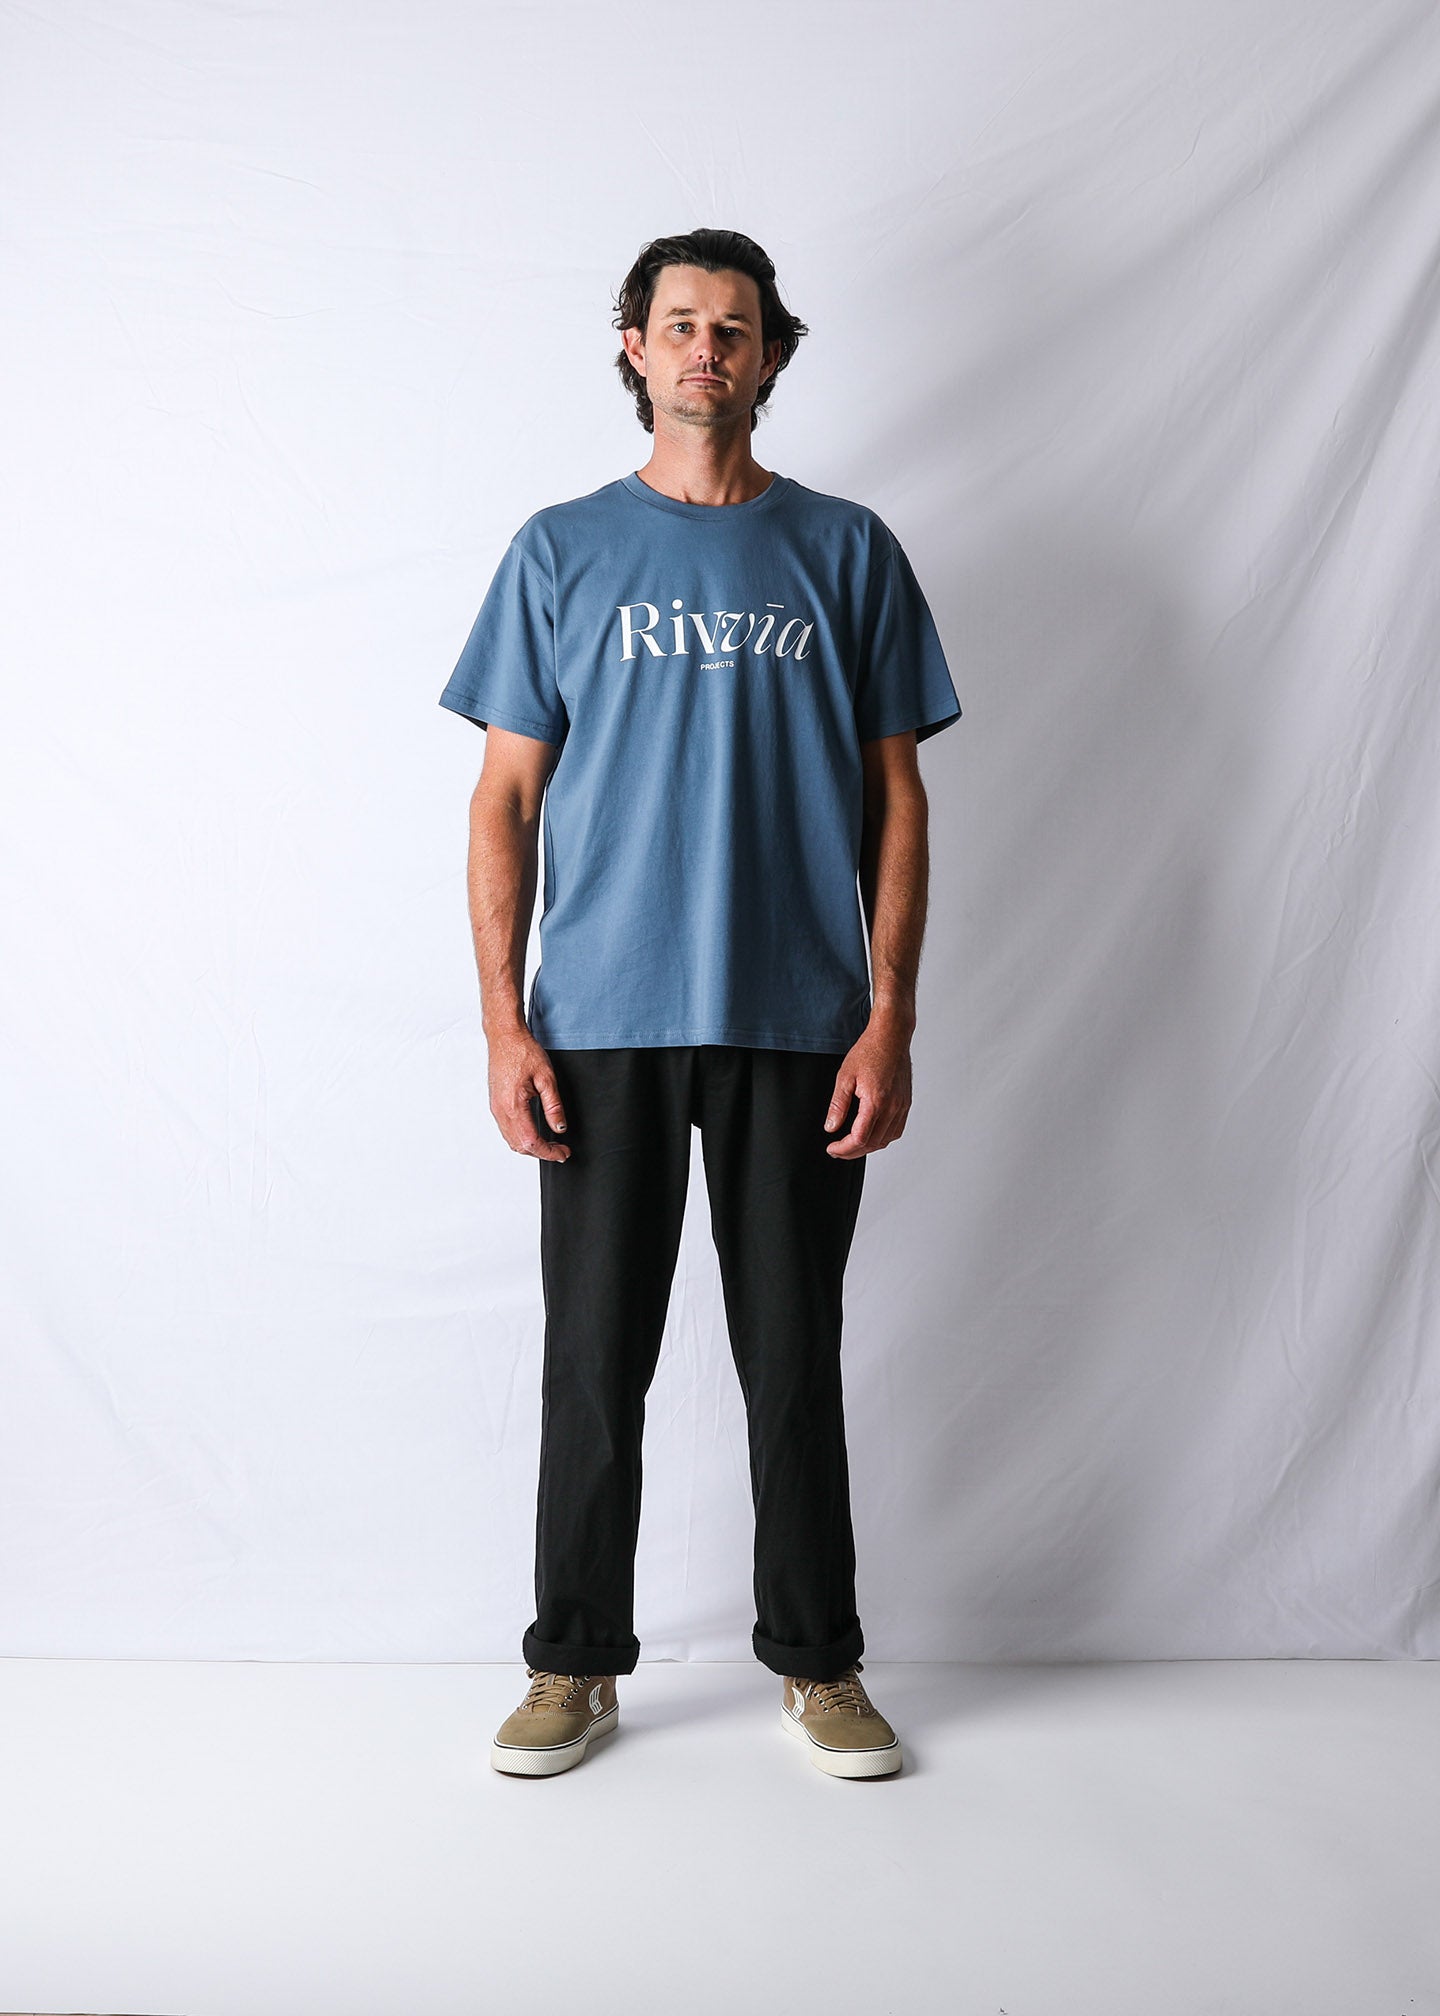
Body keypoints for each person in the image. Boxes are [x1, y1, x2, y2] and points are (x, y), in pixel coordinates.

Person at [439, 227, 961, 1781]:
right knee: (594, 1362)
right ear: (634, 347)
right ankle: (571, 1661)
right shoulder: (560, 551)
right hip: (598, 1018)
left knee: (792, 1359)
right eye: (678, 324)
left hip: (799, 1018)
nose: (705, 351)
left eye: (734, 328)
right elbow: (502, 804)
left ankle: (819, 1662)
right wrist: (503, 1023)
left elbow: (898, 800)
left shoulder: (847, 551)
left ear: (772, 356)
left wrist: (890, 1012)